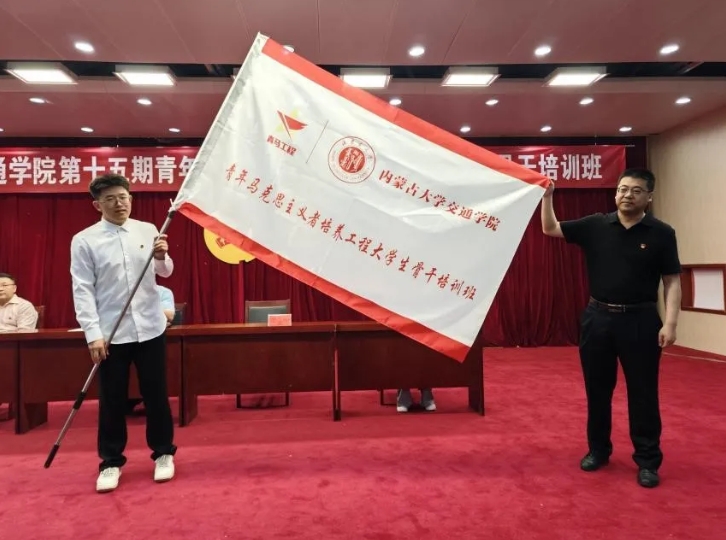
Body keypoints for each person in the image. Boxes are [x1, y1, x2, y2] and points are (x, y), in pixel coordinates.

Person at [541, 167, 681, 489]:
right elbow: (550, 229)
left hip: (641, 321)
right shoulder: (596, 225)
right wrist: (548, 198)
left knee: (643, 393)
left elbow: (672, 281)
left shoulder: (662, 233)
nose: (627, 195)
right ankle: (598, 450)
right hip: (598, 319)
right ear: (615, 192)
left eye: (635, 190)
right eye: (622, 189)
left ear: (649, 197)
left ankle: (647, 461)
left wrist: (671, 323)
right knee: (597, 390)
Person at [70, 173, 177, 493]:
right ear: (97, 205)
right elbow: (82, 289)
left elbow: (164, 272)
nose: (119, 204)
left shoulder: (147, 229)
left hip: (150, 327)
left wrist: (161, 256)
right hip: (111, 333)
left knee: (156, 395)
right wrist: (93, 334)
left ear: (131, 198)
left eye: (124, 197)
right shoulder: (85, 240)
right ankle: (111, 461)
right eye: (111, 199)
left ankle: (163, 453)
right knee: (112, 399)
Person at [126, 284, 175, 416]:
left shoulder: (163, 292)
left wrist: (140, 312)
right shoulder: (123, 290)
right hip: (124, 338)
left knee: (154, 387)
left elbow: (170, 315)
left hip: (152, 338)